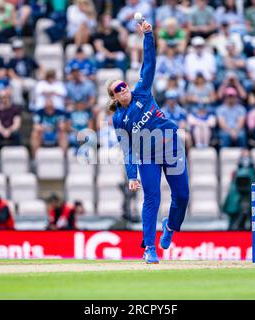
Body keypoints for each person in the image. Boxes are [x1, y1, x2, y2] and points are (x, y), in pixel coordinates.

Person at [107, 20, 189, 264]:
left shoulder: (142, 90)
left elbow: (149, 62)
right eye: (117, 89)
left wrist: (148, 35)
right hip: (147, 155)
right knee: (152, 198)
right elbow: (127, 149)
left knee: (182, 196)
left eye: (123, 85)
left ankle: (171, 226)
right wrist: (132, 176)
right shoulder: (119, 119)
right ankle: (149, 248)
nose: (123, 90)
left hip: (171, 147)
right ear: (113, 96)